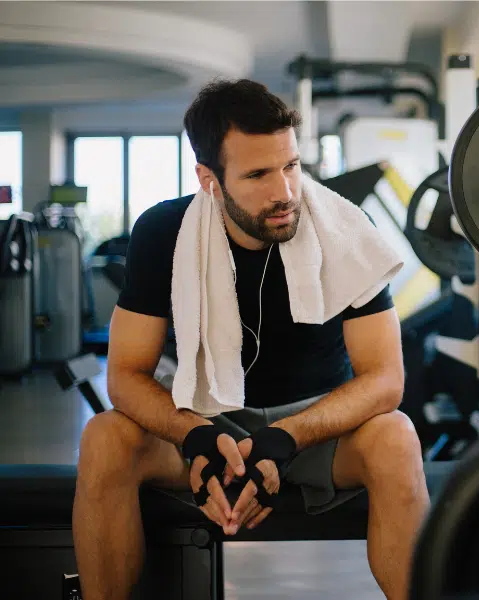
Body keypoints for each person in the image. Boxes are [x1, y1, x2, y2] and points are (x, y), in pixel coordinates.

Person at [72, 79, 429, 600]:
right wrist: (197, 439)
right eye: (258, 174)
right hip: (202, 417)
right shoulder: (162, 233)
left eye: (290, 166)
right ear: (208, 179)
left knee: (396, 436)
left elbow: (385, 379)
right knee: (104, 438)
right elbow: (125, 375)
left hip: (317, 430)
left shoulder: (346, 229)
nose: (284, 191)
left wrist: (284, 439)